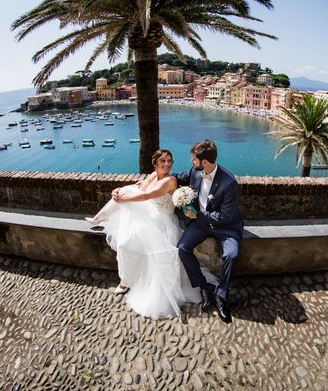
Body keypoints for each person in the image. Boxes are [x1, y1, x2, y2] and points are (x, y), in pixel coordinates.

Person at [87, 149, 205, 319]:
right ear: (155, 163)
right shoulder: (152, 175)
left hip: (161, 220)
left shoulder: (170, 181)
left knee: (126, 242)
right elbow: (139, 186)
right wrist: (119, 190)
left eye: (169, 161)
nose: (167, 164)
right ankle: (99, 219)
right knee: (124, 197)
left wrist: (124, 199)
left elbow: (147, 195)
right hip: (150, 212)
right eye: (163, 161)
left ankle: (126, 280)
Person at [174, 139, 243, 324]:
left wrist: (198, 216)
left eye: (194, 159)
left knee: (232, 254)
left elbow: (225, 217)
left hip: (225, 227)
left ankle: (221, 296)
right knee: (182, 248)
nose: (191, 162)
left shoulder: (229, 183)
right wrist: (157, 178)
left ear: (205, 162)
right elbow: (179, 177)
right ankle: (203, 287)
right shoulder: (195, 172)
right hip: (201, 223)